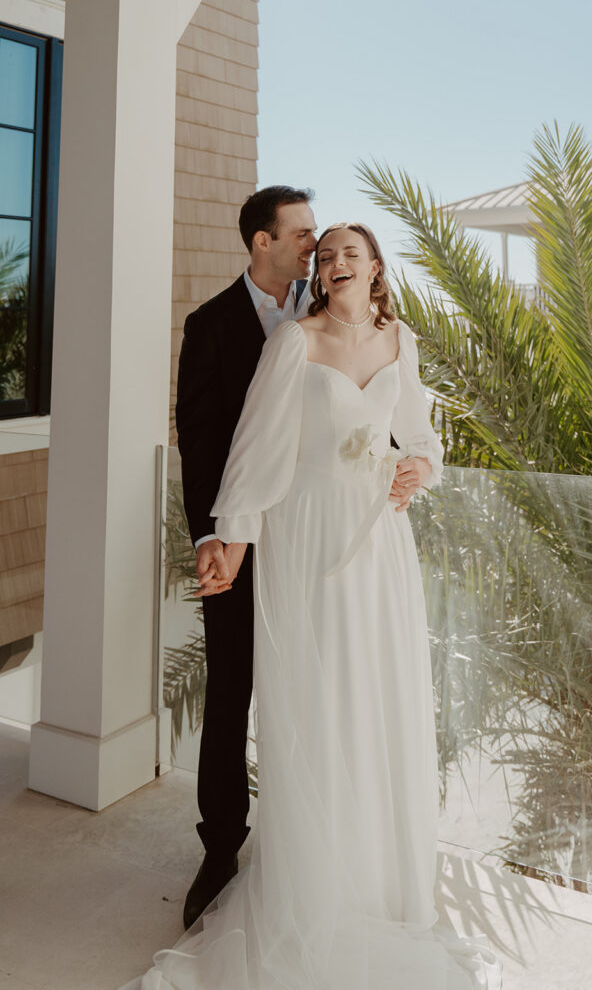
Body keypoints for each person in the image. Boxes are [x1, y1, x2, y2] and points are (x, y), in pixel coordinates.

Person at [130, 223, 500, 988]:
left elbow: (422, 438)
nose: (334, 263)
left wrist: (416, 471)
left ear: (374, 269)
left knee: (377, 701)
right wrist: (229, 539)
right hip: (306, 541)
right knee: (319, 702)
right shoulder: (292, 344)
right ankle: (313, 884)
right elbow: (257, 450)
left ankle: (378, 884)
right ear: (319, 272)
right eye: (324, 254)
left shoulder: (402, 341)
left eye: (349, 254)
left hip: (379, 544)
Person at [175, 185, 317, 928]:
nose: (312, 246)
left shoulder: (326, 316)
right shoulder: (210, 326)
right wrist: (209, 539)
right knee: (230, 692)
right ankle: (221, 845)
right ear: (261, 242)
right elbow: (198, 444)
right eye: (299, 234)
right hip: (238, 540)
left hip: (315, 542)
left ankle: (308, 841)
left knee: (312, 686)